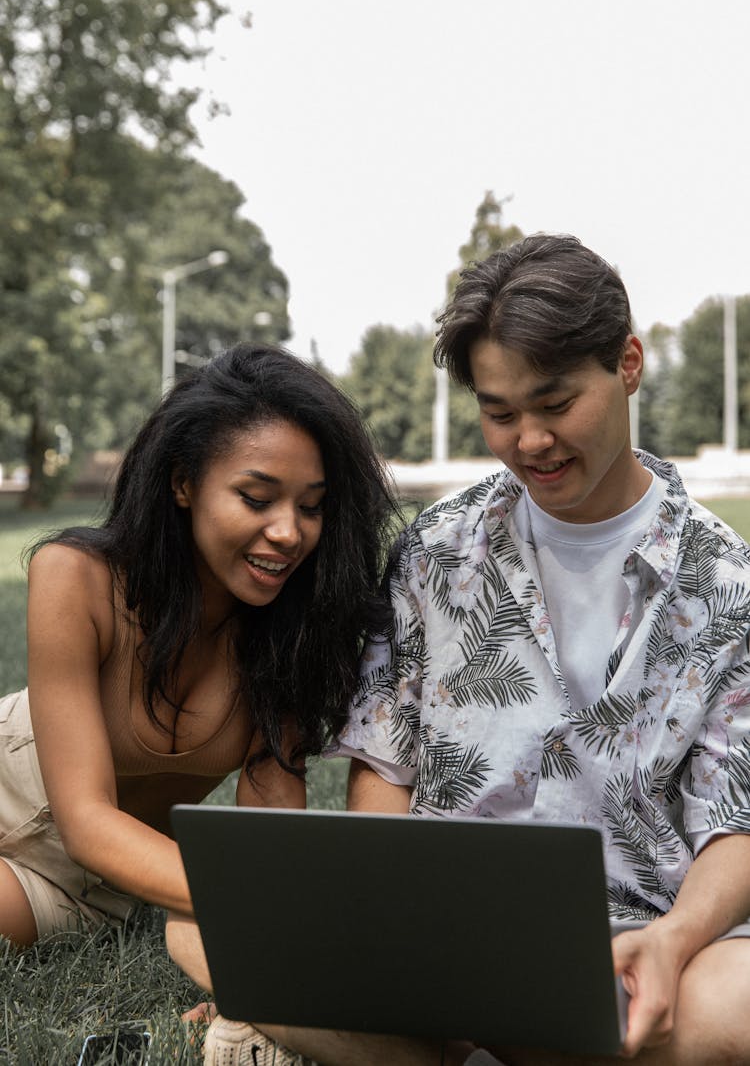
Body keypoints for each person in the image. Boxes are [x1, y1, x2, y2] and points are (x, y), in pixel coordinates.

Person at [249, 234, 749, 1066]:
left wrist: (674, 939)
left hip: (645, 946)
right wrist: (390, 905)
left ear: (627, 362)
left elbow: (736, 821)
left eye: (555, 404)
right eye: (500, 412)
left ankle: (451, 1043)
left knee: (734, 1004)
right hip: (447, 937)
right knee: (199, 930)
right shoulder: (437, 549)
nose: (530, 442)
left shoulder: (728, 581)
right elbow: (387, 763)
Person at [0, 343, 397, 1065]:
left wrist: (259, 956)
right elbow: (87, 818)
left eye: (311, 506)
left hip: (88, 884)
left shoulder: (286, 642)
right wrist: (250, 916)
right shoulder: (76, 578)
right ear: (183, 483)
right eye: (257, 497)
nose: (289, 531)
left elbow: (269, 845)